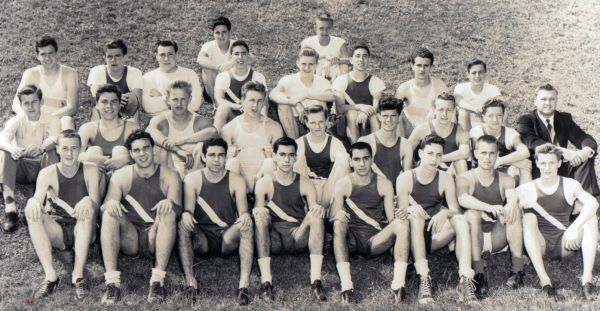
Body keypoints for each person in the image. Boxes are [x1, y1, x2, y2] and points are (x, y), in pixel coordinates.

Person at [99, 130, 182, 305]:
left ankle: (157, 281)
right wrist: (110, 204)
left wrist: (170, 203)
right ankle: (112, 283)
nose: (142, 154)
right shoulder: (121, 175)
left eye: (146, 148)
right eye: (137, 150)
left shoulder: (170, 174)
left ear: (153, 149)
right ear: (130, 154)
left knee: (169, 212)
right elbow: (104, 207)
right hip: (131, 238)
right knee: (109, 213)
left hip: (156, 236)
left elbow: (179, 210)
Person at [396, 135, 477, 305]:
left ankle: (465, 279)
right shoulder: (406, 178)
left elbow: (455, 208)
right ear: (420, 153)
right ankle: (424, 277)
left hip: (433, 234)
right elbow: (401, 214)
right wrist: (410, 208)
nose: (434, 159)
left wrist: (445, 213)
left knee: (461, 220)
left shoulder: (445, 177)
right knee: (416, 218)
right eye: (430, 153)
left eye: (439, 155)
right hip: (411, 238)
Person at [24, 130, 102, 300]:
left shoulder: (91, 170)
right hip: (58, 230)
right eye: (65, 148)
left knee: (87, 211)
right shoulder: (47, 173)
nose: (69, 153)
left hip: (85, 229)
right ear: (57, 149)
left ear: (81, 149)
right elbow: (37, 199)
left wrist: (89, 200)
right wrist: (32, 202)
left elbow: (96, 205)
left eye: (74, 148)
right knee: (32, 212)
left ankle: (78, 276)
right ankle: (51, 276)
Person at [329, 142, 410, 304]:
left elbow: (391, 220)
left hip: (375, 241)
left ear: (372, 160)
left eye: (366, 158)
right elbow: (332, 216)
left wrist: (399, 215)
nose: (361, 163)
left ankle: (399, 285)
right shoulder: (343, 183)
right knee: (338, 222)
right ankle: (346, 286)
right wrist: (338, 214)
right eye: (357, 159)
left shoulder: (383, 183)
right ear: (350, 162)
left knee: (401, 224)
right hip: (351, 242)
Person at [178, 138, 254, 305]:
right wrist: (186, 215)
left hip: (227, 238)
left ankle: (243, 286)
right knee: (183, 223)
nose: (216, 159)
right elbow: (188, 210)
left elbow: (243, 211)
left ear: (226, 157)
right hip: (202, 238)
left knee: (246, 224)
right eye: (211, 155)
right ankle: (191, 283)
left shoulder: (236, 179)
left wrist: (245, 216)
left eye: (221, 155)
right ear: (203, 157)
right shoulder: (192, 179)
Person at [516, 143, 598, 299]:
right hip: (540, 245)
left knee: (591, 218)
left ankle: (587, 280)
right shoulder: (526, 189)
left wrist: (575, 228)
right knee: (528, 217)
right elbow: (509, 209)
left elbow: (593, 203)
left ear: (559, 163)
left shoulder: (570, 184)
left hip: (565, 243)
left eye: (552, 163)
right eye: (543, 163)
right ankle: (544, 281)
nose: (547, 168)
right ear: (537, 163)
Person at [253, 137, 326, 302]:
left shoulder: (305, 183)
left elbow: (313, 207)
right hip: (274, 239)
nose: (286, 159)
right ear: (275, 156)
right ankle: (266, 281)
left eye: (291, 155)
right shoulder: (264, 182)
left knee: (316, 215)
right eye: (282, 154)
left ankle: (316, 280)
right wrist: (259, 210)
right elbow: (258, 209)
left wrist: (317, 208)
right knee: (260, 217)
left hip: (297, 237)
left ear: (295, 157)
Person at [458, 135, 525, 298]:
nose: (487, 158)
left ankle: (517, 270)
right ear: (475, 154)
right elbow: (463, 199)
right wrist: (488, 207)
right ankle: (479, 274)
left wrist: (512, 202)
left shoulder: (506, 178)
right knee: (472, 214)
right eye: (483, 153)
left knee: (513, 210)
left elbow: (511, 194)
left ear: (497, 155)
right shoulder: (465, 178)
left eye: (492, 153)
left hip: (496, 237)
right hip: (474, 238)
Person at [516, 83, 599, 199]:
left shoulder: (564, 118)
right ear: (535, 101)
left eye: (552, 99)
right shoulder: (526, 121)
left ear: (556, 100)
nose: (548, 103)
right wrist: (563, 152)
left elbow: (583, 137)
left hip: (562, 166)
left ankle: (586, 201)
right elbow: (533, 142)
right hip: (542, 168)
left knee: (585, 158)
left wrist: (585, 151)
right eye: (543, 99)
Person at [0, 85, 61, 232]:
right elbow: (2, 138)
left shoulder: (52, 119)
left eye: (34, 102)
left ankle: (48, 204)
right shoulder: (17, 120)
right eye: (26, 103)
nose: (30, 106)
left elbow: (56, 138)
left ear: (41, 102)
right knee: (7, 153)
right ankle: (11, 209)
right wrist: (14, 149)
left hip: (43, 167)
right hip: (21, 169)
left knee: (52, 151)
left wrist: (41, 147)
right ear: (21, 105)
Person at [147, 81, 217, 177]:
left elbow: (213, 132)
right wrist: (179, 151)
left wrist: (181, 140)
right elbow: (149, 132)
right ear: (167, 100)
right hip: (170, 170)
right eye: (175, 99)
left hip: (194, 169)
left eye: (183, 99)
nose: (179, 104)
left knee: (201, 146)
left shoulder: (198, 120)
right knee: (160, 149)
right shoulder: (161, 120)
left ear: (190, 99)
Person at [222, 81, 284, 191]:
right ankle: (235, 202)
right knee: (232, 162)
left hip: (262, 180)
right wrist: (228, 156)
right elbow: (219, 162)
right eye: (251, 100)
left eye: (260, 101)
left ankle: (263, 202)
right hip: (239, 182)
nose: (255, 105)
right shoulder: (229, 128)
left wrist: (272, 156)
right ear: (242, 100)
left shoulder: (274, 127)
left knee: (270, 163)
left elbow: (283, 160)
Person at [12, 36, 76, 130]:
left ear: (56, 53)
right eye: (43, 54)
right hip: (34, 117)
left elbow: (72, 107)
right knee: (13, 124)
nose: (47, 58)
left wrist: (47, 119)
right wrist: (25, 116)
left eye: (51, 53)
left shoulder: (69, 73)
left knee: (67, 121)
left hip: (59, 118)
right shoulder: (31, 73)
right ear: (37, 56)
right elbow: (16, 102)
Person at [269, 48, 334, 139]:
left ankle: (319, 140)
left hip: (315, 121)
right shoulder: (288, 80)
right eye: (304, 64)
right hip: (293, 122)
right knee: (283, 105)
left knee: (322, 103)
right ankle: (294, 145)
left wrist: (306, 95)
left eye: (311, 64)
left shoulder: (322, 82)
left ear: (316, 65)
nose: (307, 68)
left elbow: (331, 96)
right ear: (297, 63)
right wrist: (293, 102)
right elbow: (273, 94)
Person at [295, 105, 350, 208]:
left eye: (321, 122)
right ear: (306, 123)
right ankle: (308, 208)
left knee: (344, 159)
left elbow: (343, 168)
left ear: (326, 121)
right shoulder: (299, 143)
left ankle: (326, 209)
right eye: (313, 123)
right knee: (297, 158)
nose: (317, 126)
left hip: (327, 188)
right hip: (306, 187)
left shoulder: (334, 143)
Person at [332, 44, 386, 143]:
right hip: (345, 123)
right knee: (352, 114)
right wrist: (360, 106)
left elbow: (376, 107)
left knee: (374, 117)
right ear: (351, 60)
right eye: (357, 56)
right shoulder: (341, 80)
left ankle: (375, 150)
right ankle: (356, 150)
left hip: (367, 121)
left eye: (364, 56)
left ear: (369, 60)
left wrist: (366, 112)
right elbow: (340, 108)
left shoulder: (375, 81)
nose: (361, 60)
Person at [78, 85, 139, 173]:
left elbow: (144, 153)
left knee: (120, 150)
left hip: (122, 177)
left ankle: (117, 185)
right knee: (93, 151)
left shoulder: (131, 128)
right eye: (104, 102)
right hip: (97, 177)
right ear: (97, 105)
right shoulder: (88, 128)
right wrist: (91, 158)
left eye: (114, 102)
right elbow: (76, 154)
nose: (109, 106)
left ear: (119, 105)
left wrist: (125, 158)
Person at [470, 98, 531, 184]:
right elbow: (480, 158)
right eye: (490, 116)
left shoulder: (509, 132)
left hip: (504, 171)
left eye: (499, 115)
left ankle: (525, 197)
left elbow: (525, 151)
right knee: (522, 163)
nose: (495, 120)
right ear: (484, 117)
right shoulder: (477, 132)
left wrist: (500, 161)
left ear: (503, 116)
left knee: (525, 165)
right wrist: (515, 162)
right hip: (482, 171)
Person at [409, 93, 470, 174]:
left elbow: (465, 152)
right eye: (441, 110)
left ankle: (463, 186)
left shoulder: (460, 131)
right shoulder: (422, 129)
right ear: (434, 110)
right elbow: (406, 152)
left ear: (454, 110)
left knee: (461, 162)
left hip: (448, 173)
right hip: (426, 171)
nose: (444, 114)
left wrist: (439, 159)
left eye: (448, 110)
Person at [213, 40, 267, 132]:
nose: (240, 57)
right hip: (231, 118)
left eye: (244, 53)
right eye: (236, 54)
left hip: (252, 117)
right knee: (222, 109)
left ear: (248, 56)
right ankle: (217, 142)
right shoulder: (223, 77)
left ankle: (260, 135)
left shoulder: (258, 76)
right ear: (231, 56)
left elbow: (265, 103)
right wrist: (237, 106)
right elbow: (219, 100)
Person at [358, 97, 413, 186]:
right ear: (379, 117)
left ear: (399, 118)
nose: (389, 120)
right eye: (385, 116)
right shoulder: (366, 141)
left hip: (394, 195)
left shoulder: (405, 145)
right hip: (370, 193)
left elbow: (407, 178)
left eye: (393, 116)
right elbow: (359, 177)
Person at [395, 48, 448, 137]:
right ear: (412, 66)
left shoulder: (440, 85)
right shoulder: (404, 89)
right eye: (419, 65)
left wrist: (433, 110)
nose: (422, 69)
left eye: (426, 66)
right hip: (410, 130)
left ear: (430, 66)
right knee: (397, 115)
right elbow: (391, 111)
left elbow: (449, 107)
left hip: (431, 130)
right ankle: (401, 148)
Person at [87, 39, 143, 122]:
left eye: (117, 56)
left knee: (134, 111)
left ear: (125, 57)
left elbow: (136, 100)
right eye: (109, 56)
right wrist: (119, 98)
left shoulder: (134, 72)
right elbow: (96, 97)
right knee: (96, 110)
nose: (113, 60)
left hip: (125, 111)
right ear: (105, 58)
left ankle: (132, 133)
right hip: (105, 110)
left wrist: (120, 101)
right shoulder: (97, 71)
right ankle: (97, 133)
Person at [143, 40, 203, 116]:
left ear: (176, 55)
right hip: (160, 122)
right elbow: (148, 107)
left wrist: (163, 98)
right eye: (162, 55)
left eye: (170, 54)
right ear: (156, 56)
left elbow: (195, 105)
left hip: (185, 120)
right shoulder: (148, 77)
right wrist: (181, 99)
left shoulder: (189, 74)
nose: (166, 59)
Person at [300, 11, 350, 81]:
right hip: (315, 75)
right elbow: (304, 61)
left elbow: (348, 61)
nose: (325, 32)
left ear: (332, 28)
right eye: (321, 28)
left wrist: (332, 62)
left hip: (335, 76)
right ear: (315, 27)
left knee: (344, 65)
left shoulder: (340, 43)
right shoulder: (308, 43)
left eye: (328, 28)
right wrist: (325, 61)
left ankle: (342, 86)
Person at [453, 60, 502, 130]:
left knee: (503, 112)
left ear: (485, 74)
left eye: (480, 72)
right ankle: (466, 139)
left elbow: (502, 101)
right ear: (468, 75)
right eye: (474, 73)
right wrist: (475, 109)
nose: (477, 76)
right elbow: (458, 100)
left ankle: (502, 139)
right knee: (463, 112)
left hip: (486, 124)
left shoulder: (492, 88)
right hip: (465, 124)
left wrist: (487, 108)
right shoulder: (461, 87)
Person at [197, 16, 236, 102]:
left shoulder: (236, 45)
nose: (221, 36)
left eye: (224, 32)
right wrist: (217, 67)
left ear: (229, 32)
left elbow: (251, 59)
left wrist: (230, 64)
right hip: (214, 87)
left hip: (232, 84)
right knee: (208, 70)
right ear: (213, 34)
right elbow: (200, 59)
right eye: (217, 33)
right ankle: (216, 102)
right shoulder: (208, 45)